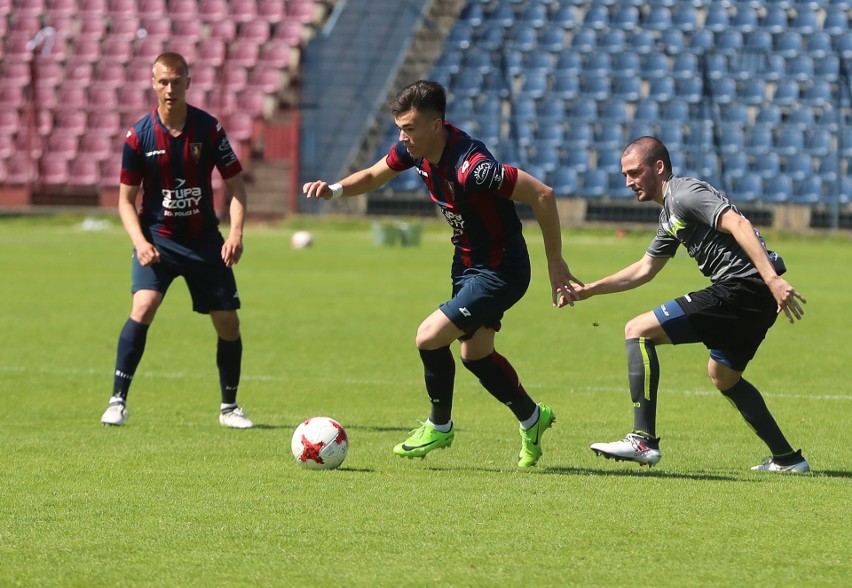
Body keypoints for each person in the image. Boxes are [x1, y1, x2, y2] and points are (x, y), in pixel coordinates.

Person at [303, 80, 582, 467]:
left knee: (429, 337)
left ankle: (440, 425)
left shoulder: (475, 169)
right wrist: (332, 190)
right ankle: (533, 419)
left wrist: (556, 262)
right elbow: (372, 175)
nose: (403, 138)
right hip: (467, 263)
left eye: (410, 129)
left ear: (437, 125)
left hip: (501, 269)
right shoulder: (414, 149)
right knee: (476, 355)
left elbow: (543, 194)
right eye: (400, 128)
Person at [575, 136, 809, 473]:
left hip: (742, 287)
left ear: (658, 167)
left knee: (637, 330)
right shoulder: (669, 214)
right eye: (625, 175)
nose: (628, 182)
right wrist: (591, 289)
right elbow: (645, 268)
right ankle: (788, 459)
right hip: (753, 296)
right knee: (724, 376)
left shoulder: (684, 193)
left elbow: (740, 224)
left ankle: (642, 440)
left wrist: (771, 278)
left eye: (634, 172)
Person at [100, 52, 253, 429]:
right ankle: (117, 400)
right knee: (144, 307)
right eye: (163, 82)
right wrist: (140, 241)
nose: (170, 88)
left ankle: (229, 407)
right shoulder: (139, 136)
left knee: (228, 324)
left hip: (204, 241)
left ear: (188, 82)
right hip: (158, 240)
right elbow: (124, 201)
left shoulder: (209, 129)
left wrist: (235, 233)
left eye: (177, 81)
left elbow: (236, 188)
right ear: (153, 83)